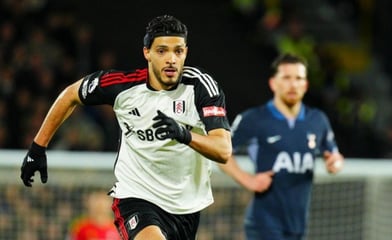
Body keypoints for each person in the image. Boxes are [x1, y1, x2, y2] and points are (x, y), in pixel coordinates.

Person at [20, 15, 232, 240]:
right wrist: (37, 148)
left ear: (185, 53)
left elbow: (223, 150)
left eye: (178, 51)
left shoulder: (201, 88)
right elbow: (71, 94)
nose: (171, 59)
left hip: (186, 207)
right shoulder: (124, 88)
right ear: (146, 53)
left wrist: (184, 135)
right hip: (136, 197)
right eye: (162, 51)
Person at [219, 53, 344, 240]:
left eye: (299, 78)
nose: (293, 84)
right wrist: (248, 180)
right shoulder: (254, 119)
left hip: (297, 223)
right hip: (264, 223)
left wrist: (335, 163)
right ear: (273, 83)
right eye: (286, 78)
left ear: (306, 85)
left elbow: (334, 155)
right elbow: (221, 152)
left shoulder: (317, 120)